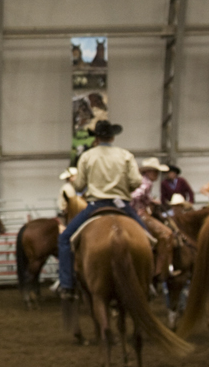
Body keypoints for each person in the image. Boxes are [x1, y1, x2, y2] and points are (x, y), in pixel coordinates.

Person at [56, 120, 153, 299]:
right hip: (122, 205)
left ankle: (67, 284)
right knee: (149, 240)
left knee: (64, 239)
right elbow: (136, 181)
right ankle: (150, 281)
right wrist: (124, 189)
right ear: (113, 136)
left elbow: (79, 186)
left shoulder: (87, 156)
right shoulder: (126, 155)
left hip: (96, 205)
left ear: (97, 137)